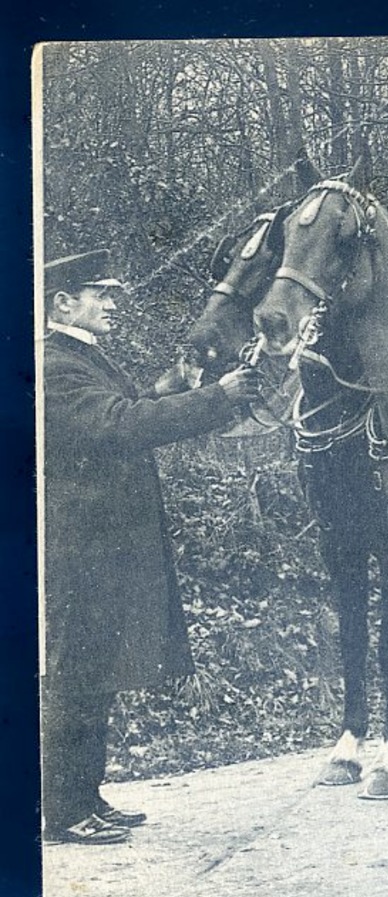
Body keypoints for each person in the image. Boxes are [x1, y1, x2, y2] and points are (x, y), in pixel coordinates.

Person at [41, 248, 263, 845]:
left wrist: (183, 385)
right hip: (78, 552)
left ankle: (84, 797)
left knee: (95, 677)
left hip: (99, 548)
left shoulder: (80, 356)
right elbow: (121, 424)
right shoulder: (52, 366)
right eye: (102, 294)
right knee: (76, 679)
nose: (114, 303)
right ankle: (63, 813)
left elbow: (136, 405)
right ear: (63, 302)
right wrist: (221, 396)